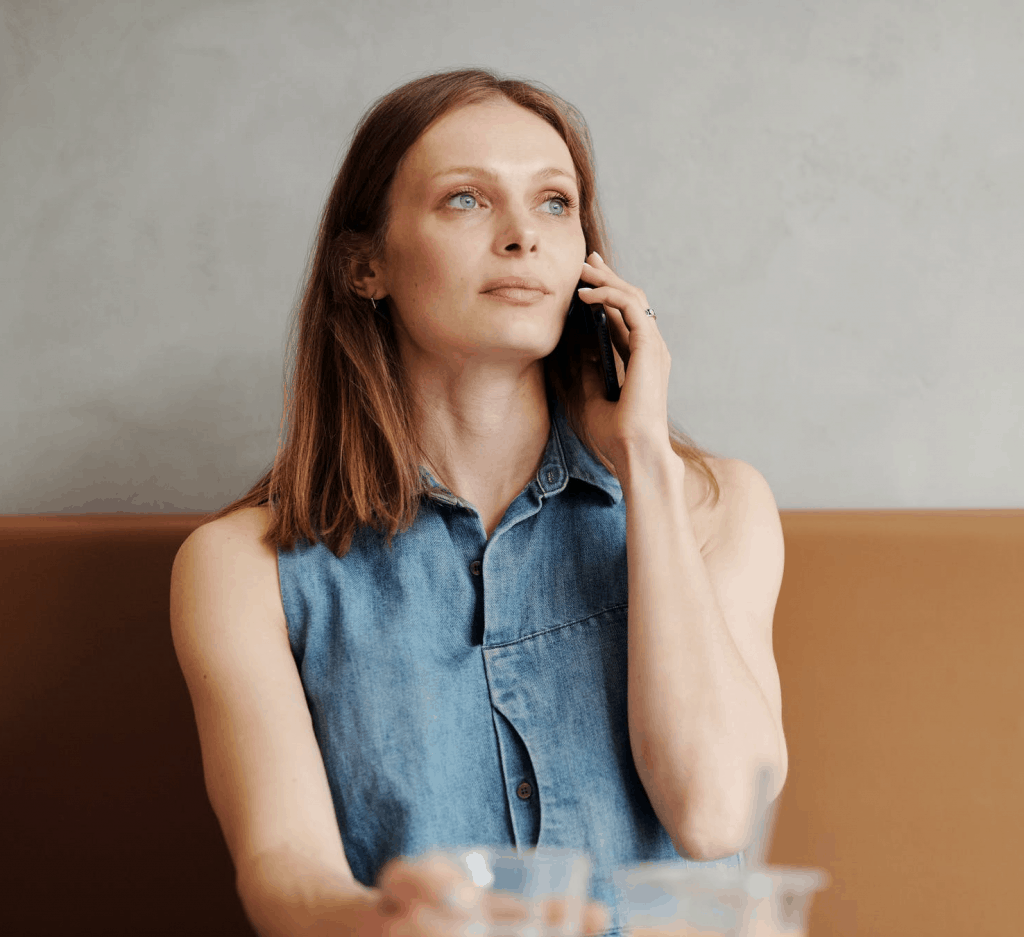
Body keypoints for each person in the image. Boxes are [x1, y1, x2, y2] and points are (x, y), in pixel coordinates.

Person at [170, 67, 788, 937]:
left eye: (554, 204)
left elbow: (715, 814)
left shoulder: (718, 505)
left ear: (588, 260)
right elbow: (284, 873)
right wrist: (388, 918)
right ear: (365, 266)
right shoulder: (241, 568)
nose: (522, 238)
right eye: (466, 200)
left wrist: (644, 458)